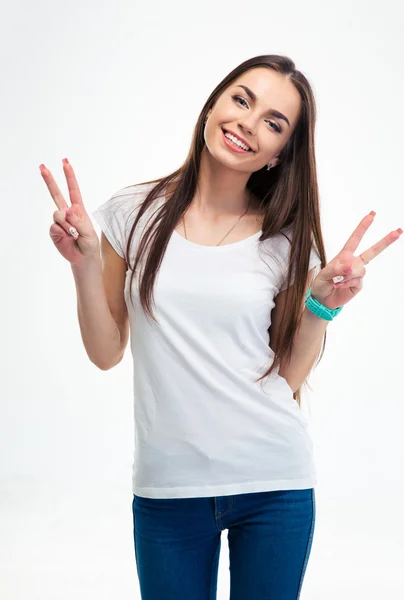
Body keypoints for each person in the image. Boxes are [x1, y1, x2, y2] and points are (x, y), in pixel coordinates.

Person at [40, 54, 402, 600]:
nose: (248, 124)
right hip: (168, 489)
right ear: (213, 103)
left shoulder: (284, 240)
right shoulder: (132, 213)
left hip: (273, 484)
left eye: (274, 123)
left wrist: (322, 308)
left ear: (281, 154)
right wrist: (84, 267)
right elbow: (106, 351)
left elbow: (288, 377)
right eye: (242, 99)